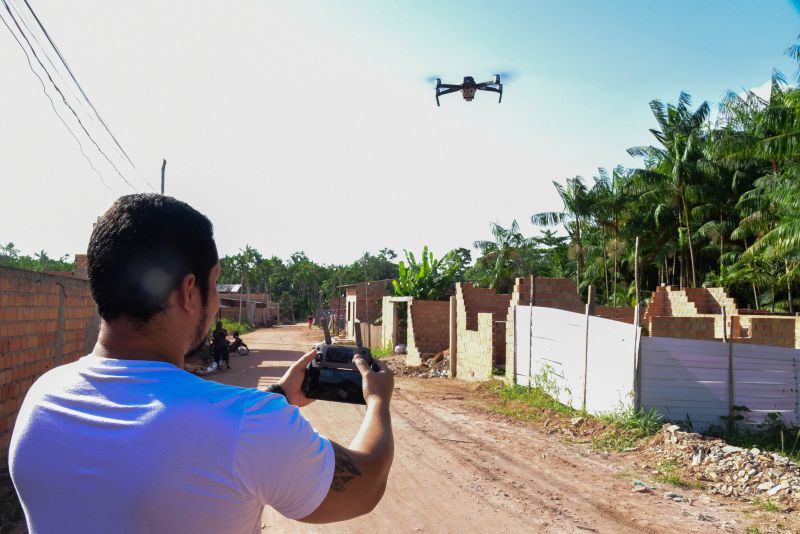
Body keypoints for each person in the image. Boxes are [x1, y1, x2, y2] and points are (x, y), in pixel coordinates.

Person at [9, 194, 394, 533]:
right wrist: (377, 400)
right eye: (214, 286)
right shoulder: (250, 425)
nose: (214, 306)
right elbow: (367, 483)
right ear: (189, 292)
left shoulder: (42, 396)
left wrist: (279, 393)